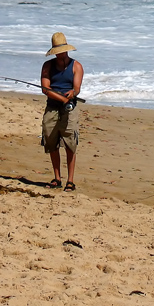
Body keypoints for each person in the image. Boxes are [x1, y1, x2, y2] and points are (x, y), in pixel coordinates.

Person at [40, 32, 84, 192]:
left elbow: (77, 88)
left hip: (69, 109)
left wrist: (72, 94)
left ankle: (70, 180)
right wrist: (62, 99)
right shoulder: (47, 66)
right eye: (57, 52)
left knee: (70, 144)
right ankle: (57, 178)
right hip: (52, 107)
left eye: (62, 51)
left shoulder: (76, 66)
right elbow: (45, 88)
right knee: (51, 142)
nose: (60, 54)